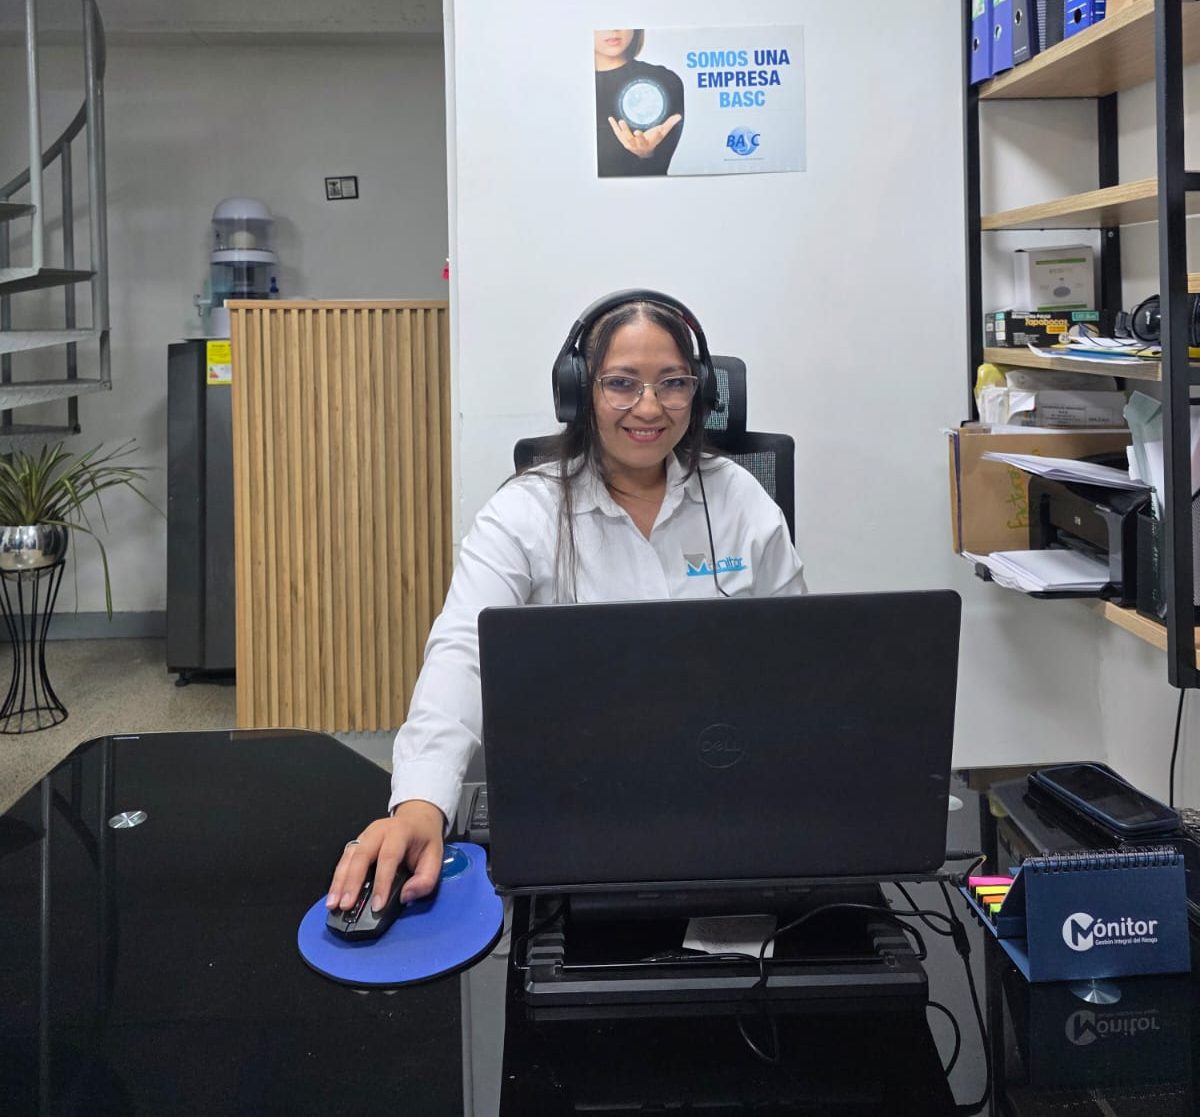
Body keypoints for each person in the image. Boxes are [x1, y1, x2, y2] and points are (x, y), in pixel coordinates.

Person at [326, 291, 806, 918]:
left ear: (701, 392)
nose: (649, 407)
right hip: (578, 800)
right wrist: (421, 802)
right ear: (579, 392)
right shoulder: (524, 512)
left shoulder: (740, 499)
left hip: (723, 790)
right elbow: (464, 651)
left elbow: (797, 657)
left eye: (673, 383)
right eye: (621, 383)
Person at [594, 29, 684, 177]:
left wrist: (647, 154)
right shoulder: (567, 86)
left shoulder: (665, 81)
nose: (613, 29)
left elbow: (660, 169)